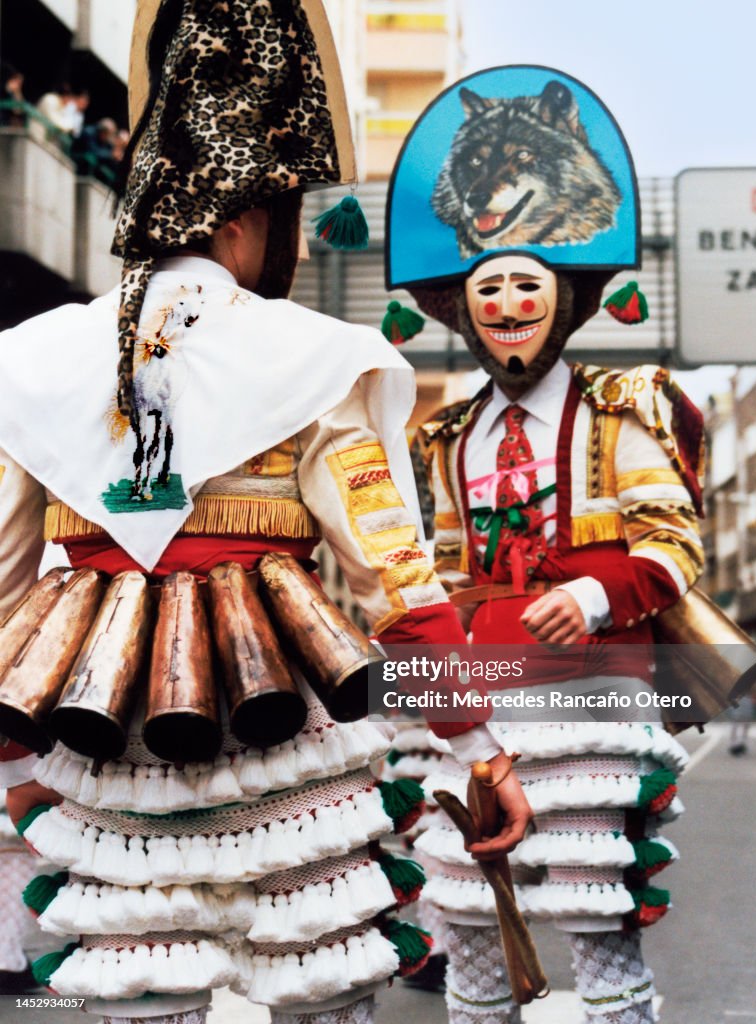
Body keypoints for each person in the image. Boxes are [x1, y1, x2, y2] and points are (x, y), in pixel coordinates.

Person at [0, 6, 529, 1024]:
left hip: (108, 784)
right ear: (249, 219)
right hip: (286, 763)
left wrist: (19, 776)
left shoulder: (29, 364)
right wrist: (479, 750)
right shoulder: (315, 360)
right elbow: (400, 591)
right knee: (308, 992)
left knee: (140, 999)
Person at [384, 67, 705, 1024]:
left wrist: (600, 596)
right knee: (475, 927)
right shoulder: (438, 439)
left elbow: (675, 541)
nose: (511, 301)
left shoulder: (623, 411)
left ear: (561, 300)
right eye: (491, 286)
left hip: (590, 699)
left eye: (529, 283)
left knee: (596, 927)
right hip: (478, 704)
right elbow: (429, 572)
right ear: (464, 311)